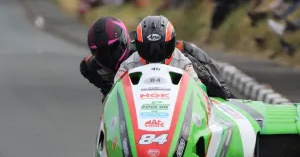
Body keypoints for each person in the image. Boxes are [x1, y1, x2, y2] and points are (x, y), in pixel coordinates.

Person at [80, 16, 232, 101]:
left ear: (125, 41)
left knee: (190, 55)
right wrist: (107, 90)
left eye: (112, 49)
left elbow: (172, 45)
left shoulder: (143, 48)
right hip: (133, 100)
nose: (107, 57)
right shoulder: (89, 67)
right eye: (100, 53)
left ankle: (225, 92)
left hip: (163, 92)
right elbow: (108, 92)